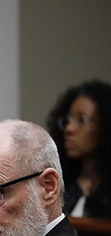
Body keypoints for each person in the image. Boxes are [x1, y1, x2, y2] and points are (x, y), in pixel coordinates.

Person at [45, 79, 111, 219]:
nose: (69, 129)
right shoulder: (58, 187)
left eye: (82, 120)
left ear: (104, 126)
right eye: (68, 120)